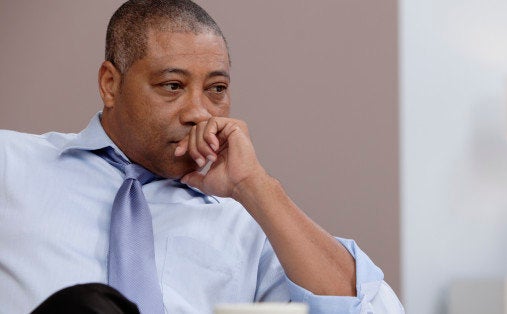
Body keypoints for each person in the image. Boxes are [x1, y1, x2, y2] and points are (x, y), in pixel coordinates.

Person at [0, 0, 404, 313]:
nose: (199, 112)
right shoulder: (11, 166)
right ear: (110, 84)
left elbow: (369, 309)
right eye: (172, 85)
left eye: (216, 89)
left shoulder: (249, 224)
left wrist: (256, 186)